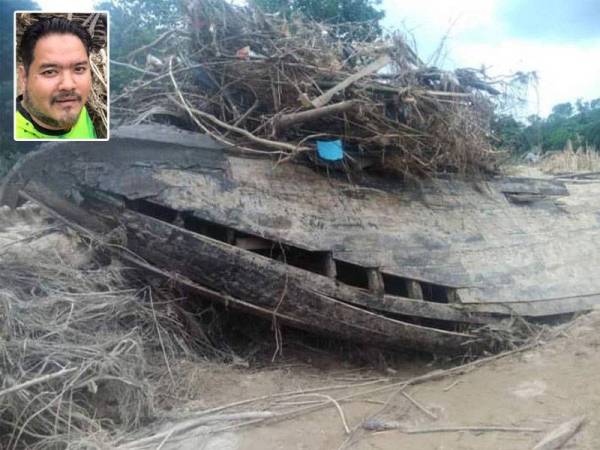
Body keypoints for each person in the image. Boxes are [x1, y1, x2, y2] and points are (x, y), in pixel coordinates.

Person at [15, 17, 97, 139]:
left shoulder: (74, 106)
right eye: (50, 72)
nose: (68, 85)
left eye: (79, 69)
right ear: (23, 77)